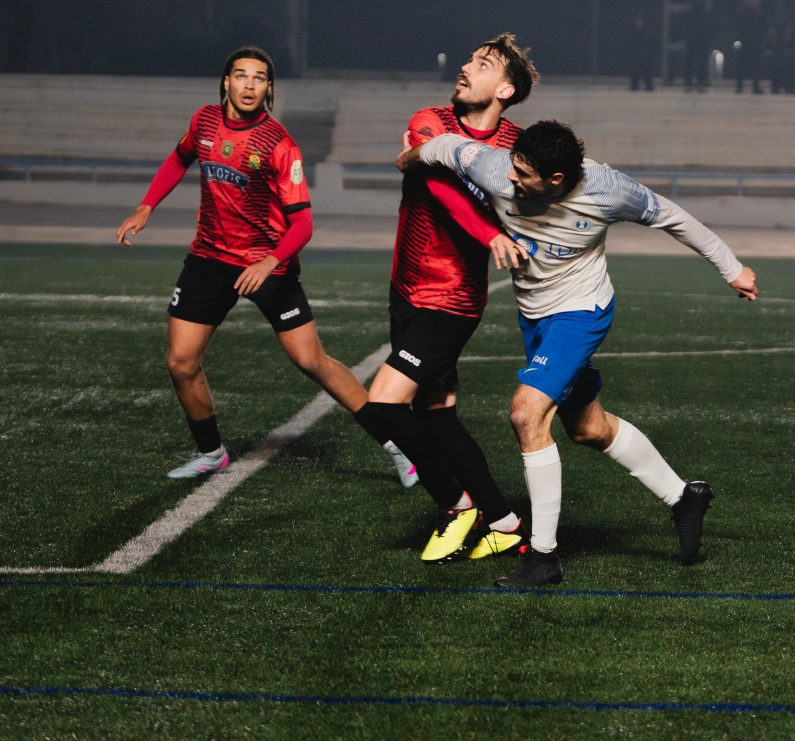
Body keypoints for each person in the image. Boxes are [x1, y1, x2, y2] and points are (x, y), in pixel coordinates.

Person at [398, 119, 757, 588]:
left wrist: (732, 269)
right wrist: (406, 158)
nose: (510, 177)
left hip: (581, 312)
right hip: (535, 317)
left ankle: (544, 557)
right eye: (513, 165)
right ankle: (683, 497)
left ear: (556, 179)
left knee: (526, 414)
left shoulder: (608, 190)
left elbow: (675, 218)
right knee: (588, 428)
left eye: (523, 173)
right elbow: (440, 147)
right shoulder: (491, 165)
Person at [116, 46, 410, 482]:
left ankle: (397, 446)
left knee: (311, 360)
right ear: (226, 82)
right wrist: (146, 206)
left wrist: (269, 261)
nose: (249, 85)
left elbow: (303, 223)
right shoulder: (204, 122)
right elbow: (179, 158)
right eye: (241, 75)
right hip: (208, 259)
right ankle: (212, 453)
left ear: (269, 88)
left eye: (259, 78)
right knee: (181, 362)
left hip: (268, 265)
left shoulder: (278, 144)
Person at [353, 34, 542, 563]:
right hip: (405, 287)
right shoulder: (430, 121)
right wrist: (490, 233)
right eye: (469, 60)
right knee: (437, 415)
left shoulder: (517, 147)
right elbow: (440, 188)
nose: (465, 67)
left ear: (505, 89)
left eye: (482, 65)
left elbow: (537, 203)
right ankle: (503, 522)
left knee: (383, 405)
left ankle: (455, 505)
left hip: (452, 298)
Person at [733, 0, 768, 93]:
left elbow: (764, 26)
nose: (753, 1)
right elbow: (736, 26)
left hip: (756, 42)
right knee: (741, 64)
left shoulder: (760, 12)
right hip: (743, 41)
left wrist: (761, 37)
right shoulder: (741, 11)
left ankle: (755, 86)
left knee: (756, 66)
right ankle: (739, 86)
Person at [683, 0, 710, 90]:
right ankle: (688, 82)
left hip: (702, 39)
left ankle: (701, 82)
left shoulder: (705, 10)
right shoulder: (689, 11)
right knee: (689, 61)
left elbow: (708, 25)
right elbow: (685, 26)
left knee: (702, 62)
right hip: (691, 39)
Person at [624, 15, 655, 91]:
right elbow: (627, 46)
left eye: (640, 21)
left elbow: (652, 46)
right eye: (637, 21)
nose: (639, 23)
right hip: (634, 60)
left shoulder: (648, 33)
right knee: (634, 84)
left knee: (648, 83)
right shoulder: (630, 33)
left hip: (645, 60)